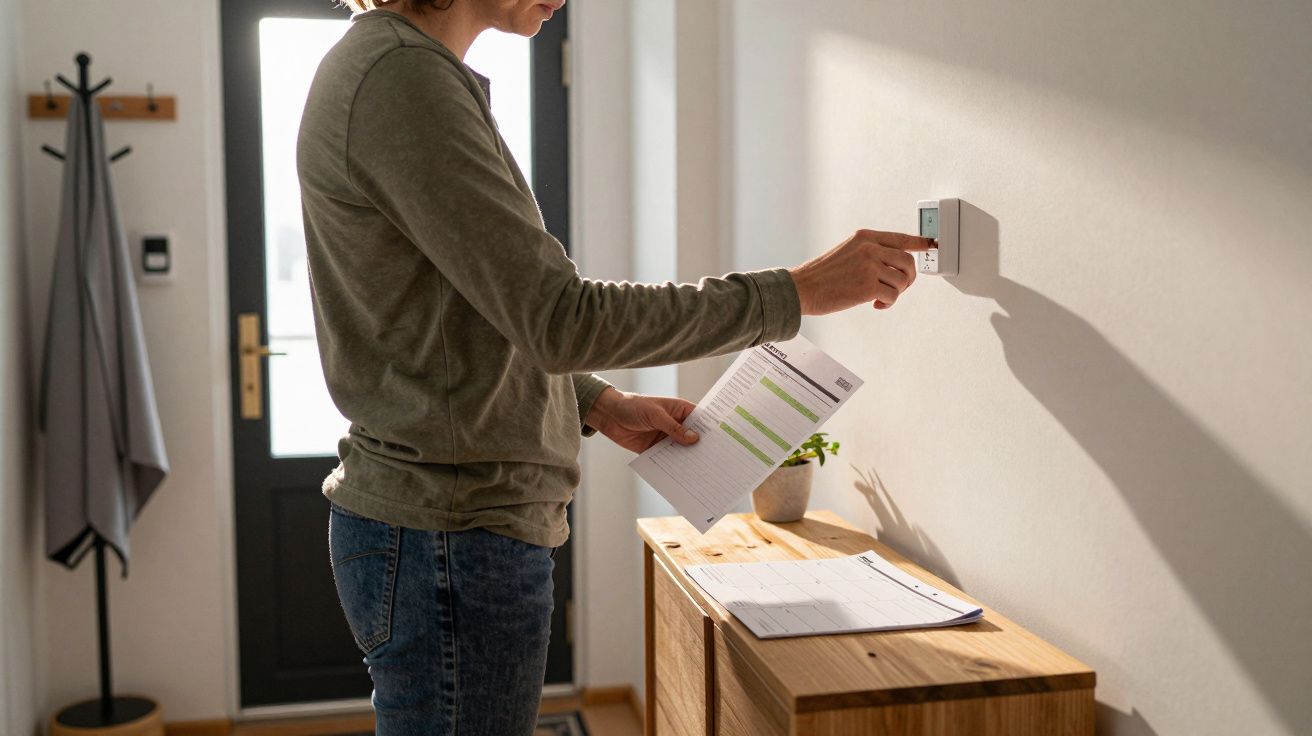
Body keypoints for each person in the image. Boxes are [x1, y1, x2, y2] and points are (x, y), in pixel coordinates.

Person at [297, 0, 934, 733]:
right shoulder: (403, 78)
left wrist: (594, 403)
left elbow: (472, 315)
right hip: (451, 538)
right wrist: (794, 293)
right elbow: (560, 318)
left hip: (450, 533)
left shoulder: (401, 68)